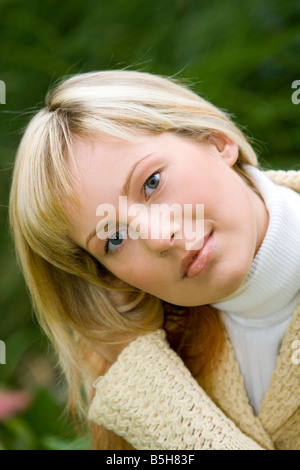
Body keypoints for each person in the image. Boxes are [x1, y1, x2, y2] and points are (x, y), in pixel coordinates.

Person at [9, 70, 300, 450]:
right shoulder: (143, 360)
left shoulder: (145, 380)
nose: (161, 238)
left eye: (152, 183)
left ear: (216, 141)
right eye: (114, 238)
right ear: (107, 276)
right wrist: (149, 385)